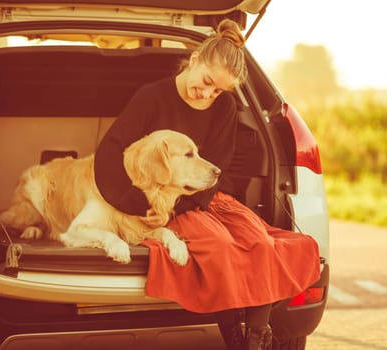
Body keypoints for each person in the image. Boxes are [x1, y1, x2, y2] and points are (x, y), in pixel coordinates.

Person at [94, 19, 320, 350]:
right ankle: (233, 337)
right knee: (222, 252)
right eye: (207, 82)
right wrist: (141, 207)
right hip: (162, 204)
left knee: (262, 246)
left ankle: (255, 339)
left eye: (217, 90)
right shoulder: (151, 97)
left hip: (207, 200)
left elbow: (216, 170)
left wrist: (187, 203)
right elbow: (110, 154)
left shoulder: (224, 107)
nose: (208, 93)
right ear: (196, 58)